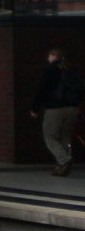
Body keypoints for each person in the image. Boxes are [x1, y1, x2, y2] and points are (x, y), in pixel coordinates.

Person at [30, 48, 82, 176]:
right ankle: (62, 167)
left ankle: (65, 160)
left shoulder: (50, 70)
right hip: (73, 108)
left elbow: (42, 89)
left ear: (53, 56)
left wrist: (35, 108)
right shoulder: (71, 69)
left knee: (50, 137)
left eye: (49, 56)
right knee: (65, 136)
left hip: (55, 108)